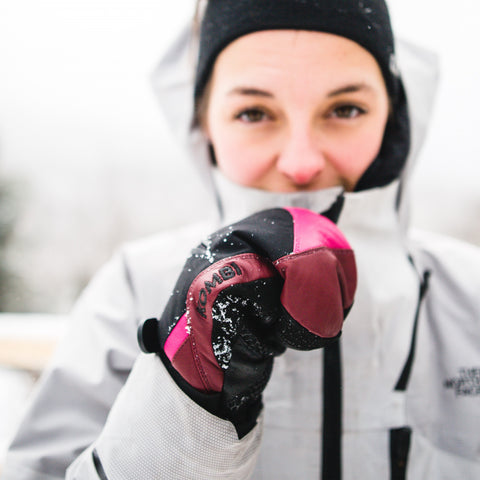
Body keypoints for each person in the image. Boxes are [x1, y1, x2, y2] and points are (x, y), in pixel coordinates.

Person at [3, 0, 480, 478]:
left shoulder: (470, 296)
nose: (300, 162)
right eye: (254, 112)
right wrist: (184, 401)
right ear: (204, 123)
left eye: (346, 108)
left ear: (395, 120)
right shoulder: (132, 288)